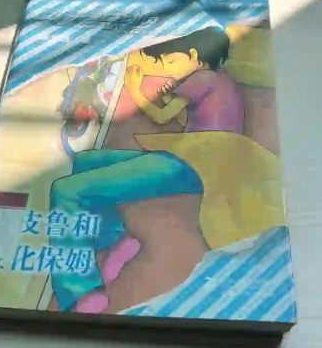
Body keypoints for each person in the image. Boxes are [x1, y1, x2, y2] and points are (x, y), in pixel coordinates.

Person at [48, 27, 244, 314]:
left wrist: (136, 84)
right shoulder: (219, 80)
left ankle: (81, 292)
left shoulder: (201, 77)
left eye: (170, 60)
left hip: (191, 166)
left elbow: (160, 113)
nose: (166, 66)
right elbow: (182, 111)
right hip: (195, 158)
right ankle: (115, 240)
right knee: (86, 161)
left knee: (66, 190)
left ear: (193, 56)